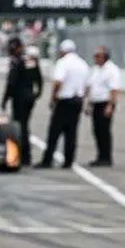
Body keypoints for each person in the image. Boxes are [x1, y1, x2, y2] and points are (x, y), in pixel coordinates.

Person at [38, 39, 88, 169]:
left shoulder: (63, 63)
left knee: (54, 132)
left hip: (64, 100)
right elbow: (86, 85)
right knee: (71, 133)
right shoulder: (82, 64)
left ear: (63, 50)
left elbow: (58, 82)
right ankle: (68, 161)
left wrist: (53, 98)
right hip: (77, 100)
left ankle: (47, 160)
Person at [1, 37, 42, 166]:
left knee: (19, 128)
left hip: (19, 98)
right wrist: (37, 94)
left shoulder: (16, 61)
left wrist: (4, 99)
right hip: (29, 98)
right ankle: (26, 156)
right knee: (24, 126)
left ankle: (22, 156)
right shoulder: (30, 60)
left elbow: (11, 83)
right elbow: (38, 78)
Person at [86, 46, 120, 167]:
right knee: (97, 131)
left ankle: (106, 157)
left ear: (104, 57)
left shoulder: (111, 69)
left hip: (105, 103)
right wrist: (89, 104)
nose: (95, 58)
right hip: (96, 103)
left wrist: (111, 106)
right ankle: (100, 156)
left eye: (97, 56)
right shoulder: (95, 69)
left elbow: (114, 90)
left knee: (104, 131)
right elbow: (90, 87)